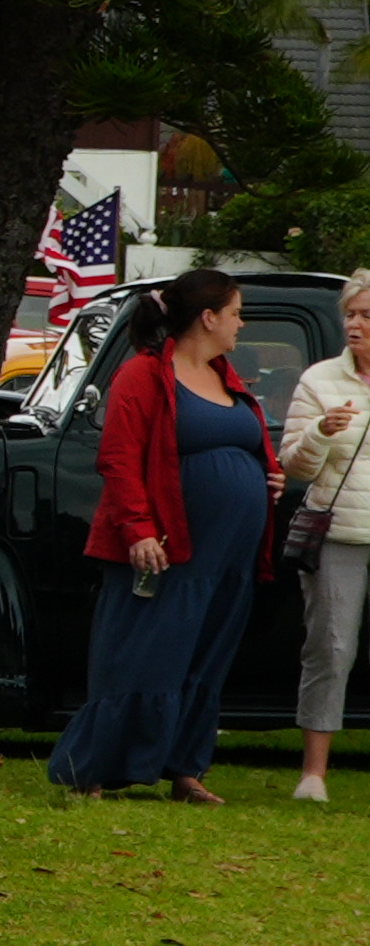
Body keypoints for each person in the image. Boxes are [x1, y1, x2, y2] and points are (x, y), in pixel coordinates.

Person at [52, 272, 278, 804]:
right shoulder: (144, 374)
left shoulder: (225, 375)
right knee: (143, 653)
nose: (241, 324)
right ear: (209, 318)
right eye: (236, 313)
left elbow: (246, 443)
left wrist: (265, 473)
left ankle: (185, 767)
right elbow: (119, 457)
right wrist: (138, 529)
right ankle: (94, 767)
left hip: (228, 552)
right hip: (167, 547)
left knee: (205, 655)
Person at [285, 269, 370, 803]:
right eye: (351, 315)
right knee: (331, 648)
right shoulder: (319, 380)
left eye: (367, 316)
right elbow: (294, 466)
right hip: (338, 532)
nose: (354, 325)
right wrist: (321, 432)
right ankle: (313, 774)